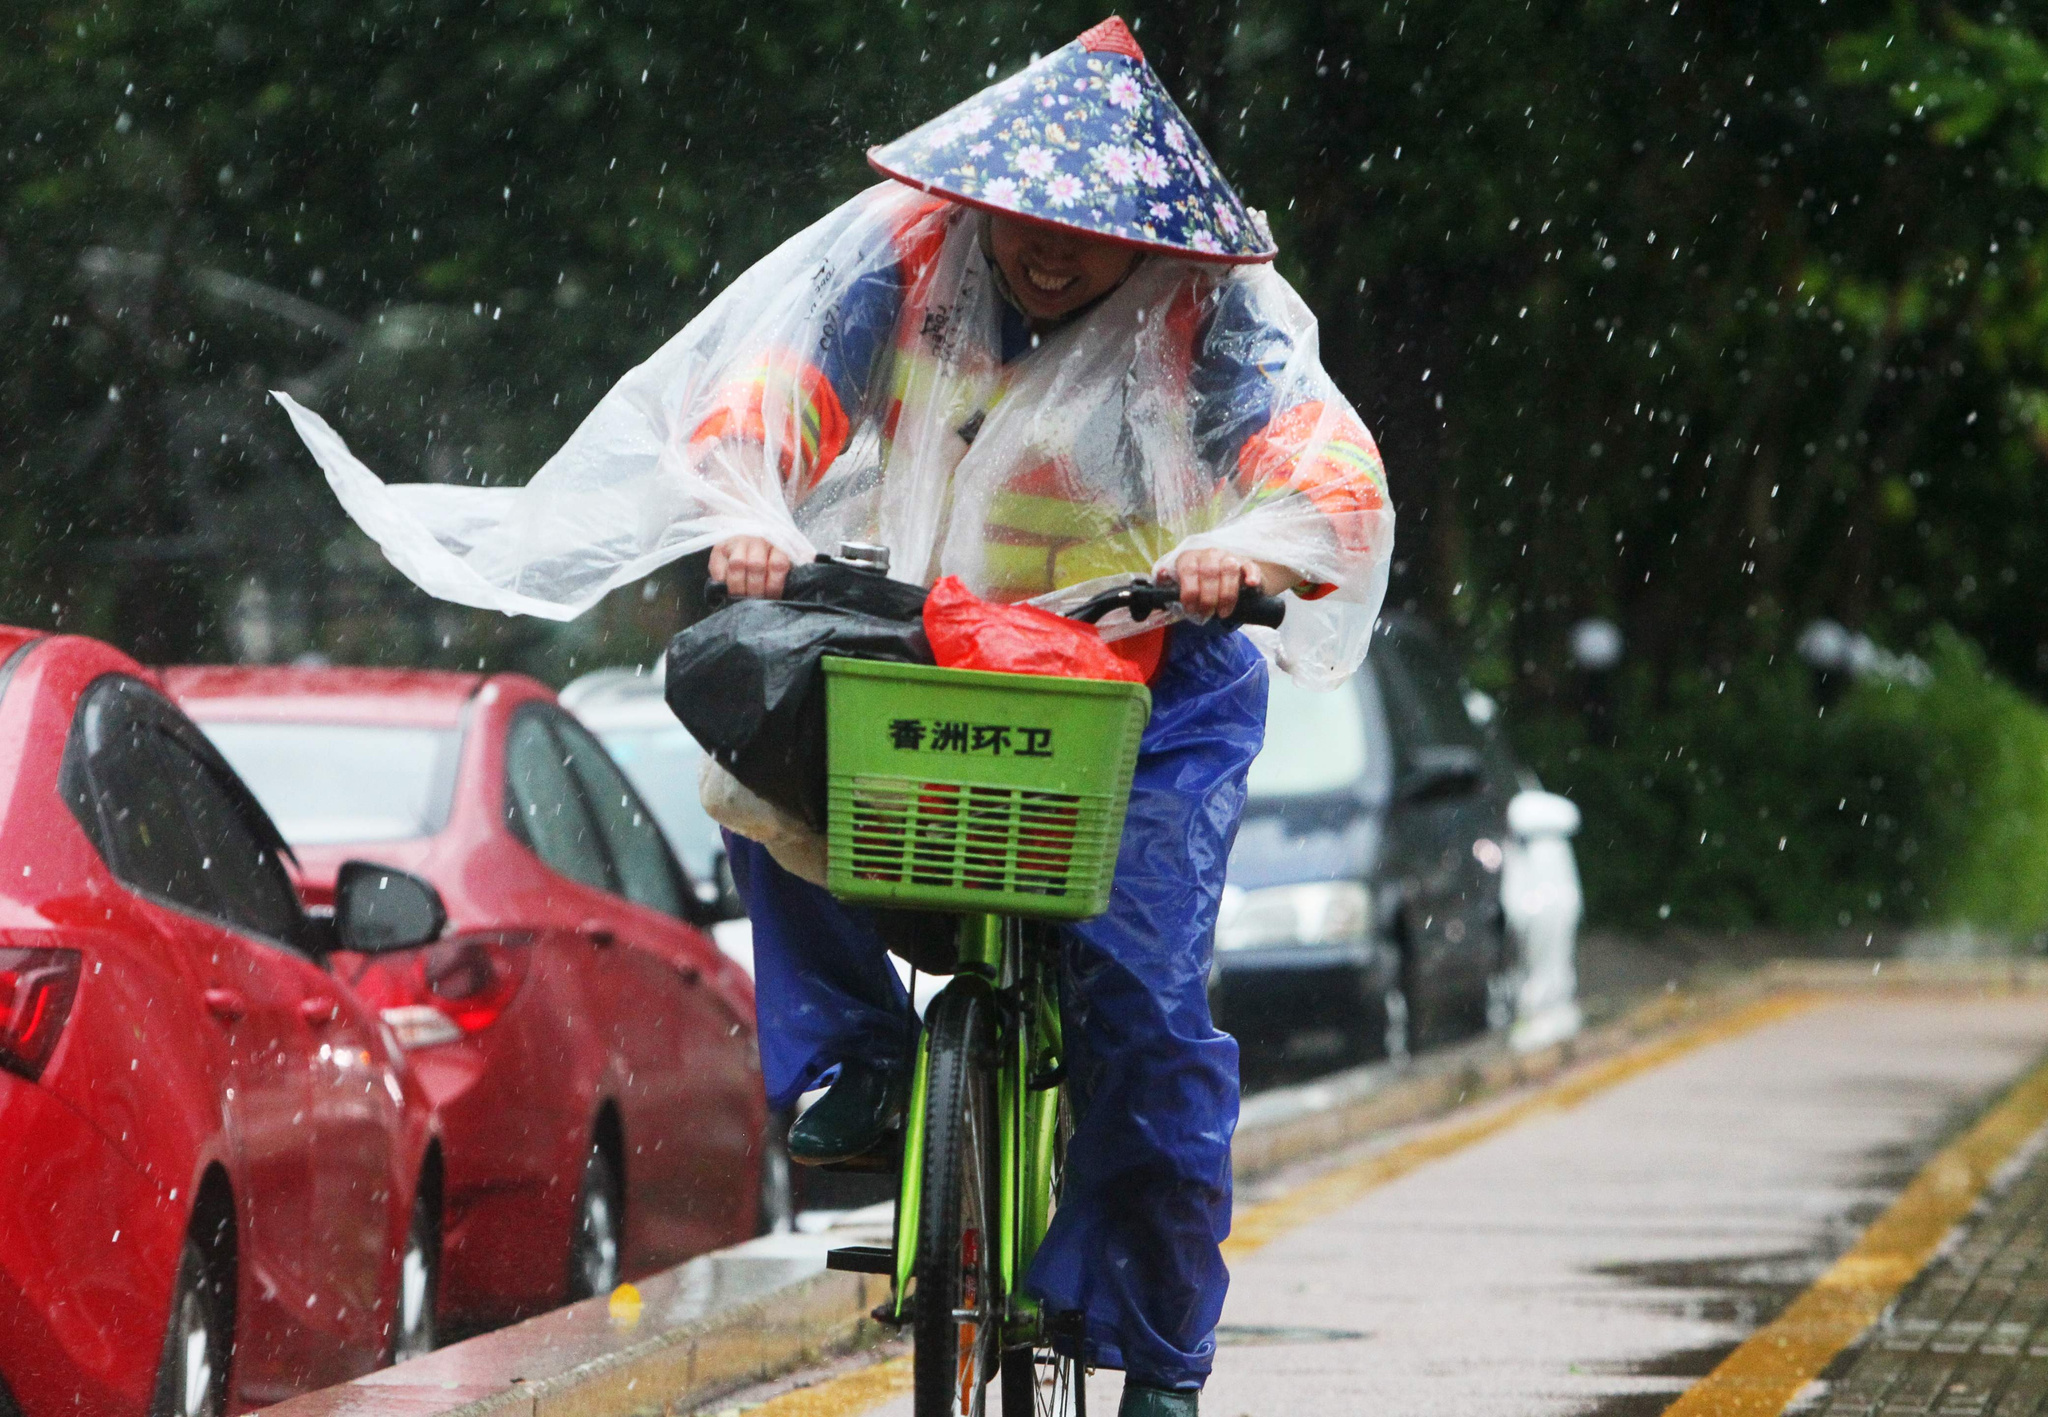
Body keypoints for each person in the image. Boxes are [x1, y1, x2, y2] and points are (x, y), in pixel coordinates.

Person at [277, 18, 1392, 1414]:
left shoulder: (1204, 318)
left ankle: (1160, 1354)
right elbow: (776, 386)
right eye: (1021, 216)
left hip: (1147, 677)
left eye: (1081, 230)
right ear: (979, 198)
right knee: (760, 742)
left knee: (1145, 1009)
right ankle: (857, 1059)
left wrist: (1257, 550)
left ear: (1145, 238)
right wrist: (751, 504)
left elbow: (1315, 458)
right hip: (939, 637)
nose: (1044, 248)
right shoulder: (910, 262)